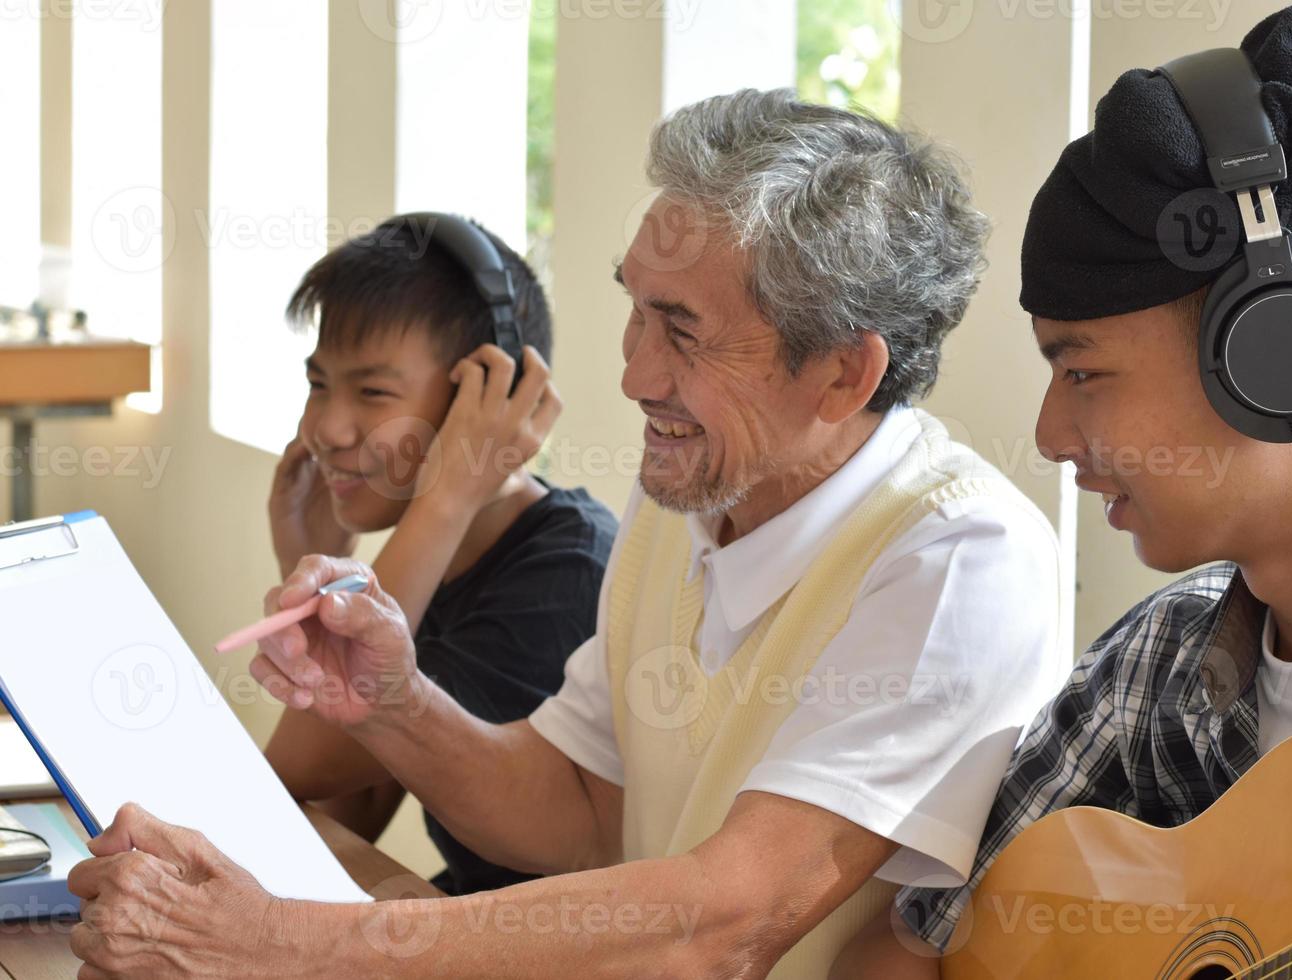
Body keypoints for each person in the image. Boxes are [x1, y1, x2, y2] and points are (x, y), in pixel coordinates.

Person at [65, 89, 1066, 978]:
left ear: (844, 373)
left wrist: (279, 941)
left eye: (683, 330)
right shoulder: (691, 495)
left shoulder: (958, 559)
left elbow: (721, 926)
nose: (634, 373)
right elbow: (580, 808)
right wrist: (393, 700)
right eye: (634, 309)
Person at [834, 8, 1292, 975]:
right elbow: (902, 955)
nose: (1047, 435)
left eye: (1082, 372)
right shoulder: (1153, 668)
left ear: (1281, 357)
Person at [265, 215, 618, 895]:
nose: (326, 430)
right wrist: (311, 573)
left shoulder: (561, 578)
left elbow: (298, 767)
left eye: (372, 392)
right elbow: (350, 804)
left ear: (486, 399)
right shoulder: (439, 562)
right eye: (318, 385)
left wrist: (448, 495)